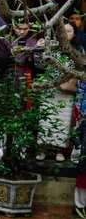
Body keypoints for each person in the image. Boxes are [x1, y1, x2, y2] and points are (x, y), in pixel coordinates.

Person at [34, 21, 83, 161]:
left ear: (74, 35)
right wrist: (39, 48)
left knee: (63, 121)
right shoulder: (51, 46)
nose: (65, 33)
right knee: (45, 120)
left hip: (66, 90)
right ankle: (42, 149)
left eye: (69, 31)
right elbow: (39, 65)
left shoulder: (78, 50)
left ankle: (59, 151)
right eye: (63, 30)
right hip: (50, 89)